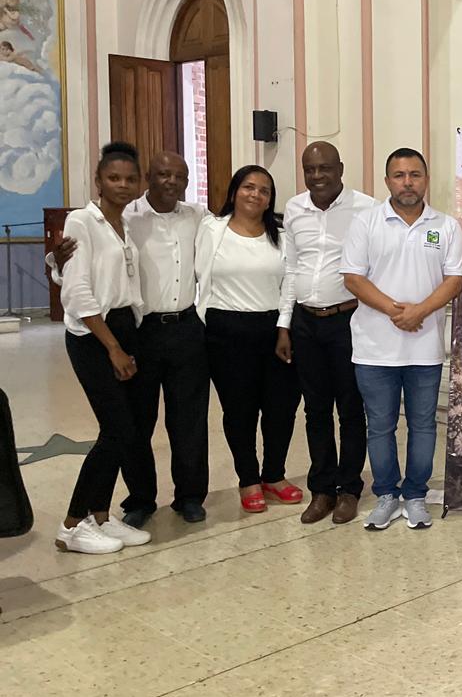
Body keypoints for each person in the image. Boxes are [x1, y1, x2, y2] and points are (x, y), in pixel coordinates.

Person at [49, 151, 213, 526]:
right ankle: (140, 498)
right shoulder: (126, 216)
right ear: (149, 179)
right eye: (162, 174)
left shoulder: (198, 217)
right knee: (136, 421)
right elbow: (82, 269)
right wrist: (57, 260)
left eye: (179, 176)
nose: (170, 181)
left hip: (187, 327)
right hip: (141, 331)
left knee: (189, 419)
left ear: (187, 181)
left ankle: (190, 496)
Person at [341, 148, 462, 531]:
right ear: (387, 181)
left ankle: (414, 494)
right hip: (374, 348)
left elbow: (454, 280)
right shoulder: (366, 223)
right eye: (399, 175)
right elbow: (353, 278)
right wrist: (399, 310)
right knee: (379, 426)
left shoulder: (445, 226)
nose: (407, 182)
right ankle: (385, 495)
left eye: (414, 174)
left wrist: (420, 311)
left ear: (426, 180)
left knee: (424, 425)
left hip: (424, 347)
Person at [55, 143, 151, 554]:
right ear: (98, 181)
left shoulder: (124, 224)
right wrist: (112, 347)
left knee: (123, 431)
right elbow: (77, 290)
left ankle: (100, 516)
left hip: (124, 328)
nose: (123, 185)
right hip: (94, 335)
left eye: (131, 179)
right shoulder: (82, 220)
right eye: (114, 178)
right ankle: (72, 524)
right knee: (117, 430)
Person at [277, 143, 376, 525]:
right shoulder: (295, 207)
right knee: (315, 409)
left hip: (348, 321)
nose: (317, 176)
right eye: (310, 169)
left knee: (351, 408)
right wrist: (284, 324)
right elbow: (291, 268)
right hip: (305, 322)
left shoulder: (366, 208)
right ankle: (322, 490)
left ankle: (349, 488)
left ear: (341, 168)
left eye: (325, 168)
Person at [197, 165, 302, 514]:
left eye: (264, 190)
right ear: (234, 192)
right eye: (248, 187)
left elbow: (290, 285)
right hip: (225, 330)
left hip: (274, 329)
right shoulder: (211, 230)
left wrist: (284, 327)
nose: (255, 195)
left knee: (281, 408)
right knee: (239, 411)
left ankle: (274, 474)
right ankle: (248, 479)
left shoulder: (282, 237)